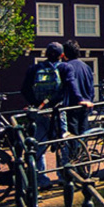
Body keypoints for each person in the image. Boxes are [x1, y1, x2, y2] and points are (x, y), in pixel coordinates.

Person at [20, 43, 66, 187]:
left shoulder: (34, 69)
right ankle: (63, 176)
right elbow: (65, 90)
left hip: (39, 112)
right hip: (57, 111)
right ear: (61, 55)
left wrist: (37, 104)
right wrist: (52, 103)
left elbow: (25, 89)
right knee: (62, 143)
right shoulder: (64, 68)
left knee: (38, 145)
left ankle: (42, 180)